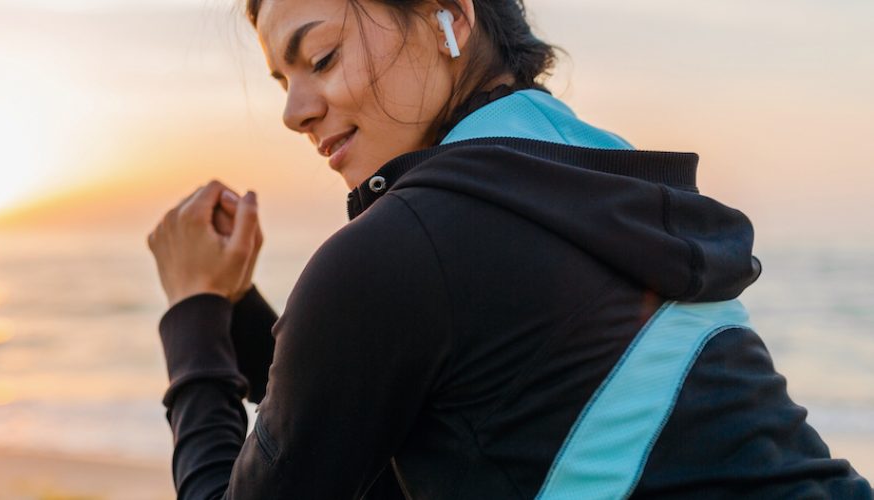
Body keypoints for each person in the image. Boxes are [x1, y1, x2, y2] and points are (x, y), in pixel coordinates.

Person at [146, 0, 874, 498]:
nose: (294, 111)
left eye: (323, 57)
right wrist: (237, 310)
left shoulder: (404, 249)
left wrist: (194, 312)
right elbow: (386, 410)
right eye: (283, 80)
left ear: (448, 18)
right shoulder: (596, 182)